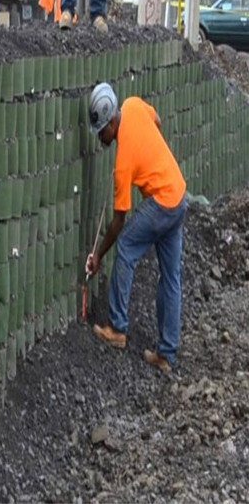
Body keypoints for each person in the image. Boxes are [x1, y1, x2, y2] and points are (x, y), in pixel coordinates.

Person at [85, 83, 187, 373]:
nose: (102, 139)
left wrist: (98, 257)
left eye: (102, 132)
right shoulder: (133, 105)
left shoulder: (122, 163)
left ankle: (117, 329)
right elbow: (157, 120)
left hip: (163, 202)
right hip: (178, 194)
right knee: (171, 277)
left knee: (127, 245)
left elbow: (118, 222)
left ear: (111, 122)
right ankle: (166, 354)